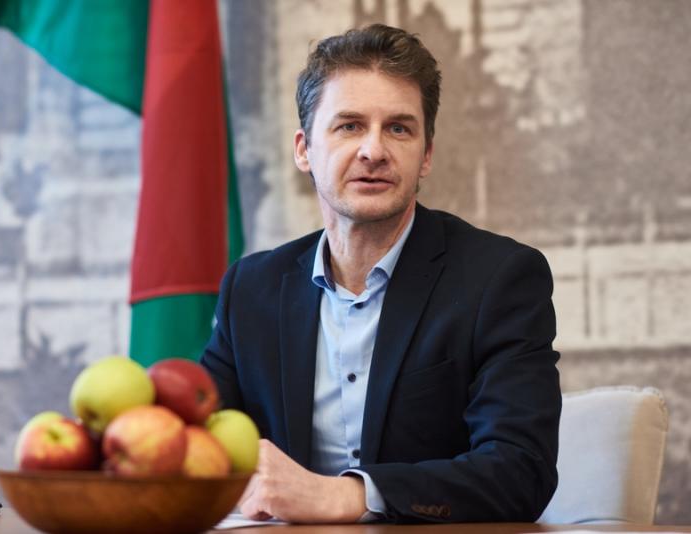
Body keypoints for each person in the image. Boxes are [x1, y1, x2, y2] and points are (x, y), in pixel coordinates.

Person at [201, 23, 561, 524]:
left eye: (399, 128)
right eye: (349, 126)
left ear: (426, 155)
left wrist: (349, 496)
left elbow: (521, 471)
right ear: (304, 149)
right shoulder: (251, 289)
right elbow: (193, 439)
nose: (373, 150)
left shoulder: (500, 279)